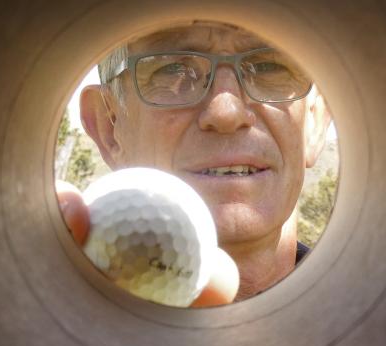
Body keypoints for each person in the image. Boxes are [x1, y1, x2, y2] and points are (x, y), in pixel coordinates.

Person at [57, 21, 331, 306]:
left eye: (268, 67)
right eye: (172, 69)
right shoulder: (44, 328)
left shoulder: (378, 336)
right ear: (109, 127)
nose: (226, 112)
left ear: (315, 122)